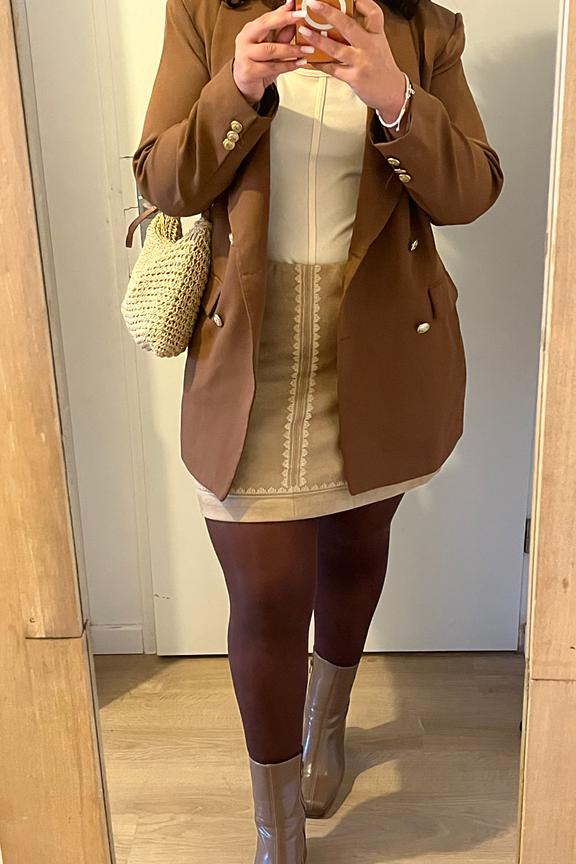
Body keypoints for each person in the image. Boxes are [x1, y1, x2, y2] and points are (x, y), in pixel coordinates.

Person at [132, 0, 503, 859]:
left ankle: (326, 729)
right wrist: (239, 84)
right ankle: (280, 830)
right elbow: (162, 181)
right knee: (265, 595)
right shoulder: (205, 13)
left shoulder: (426, 28)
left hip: (380, 347)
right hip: (248, 350)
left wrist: (395, 97)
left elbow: (470, 193)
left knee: (355, 552)